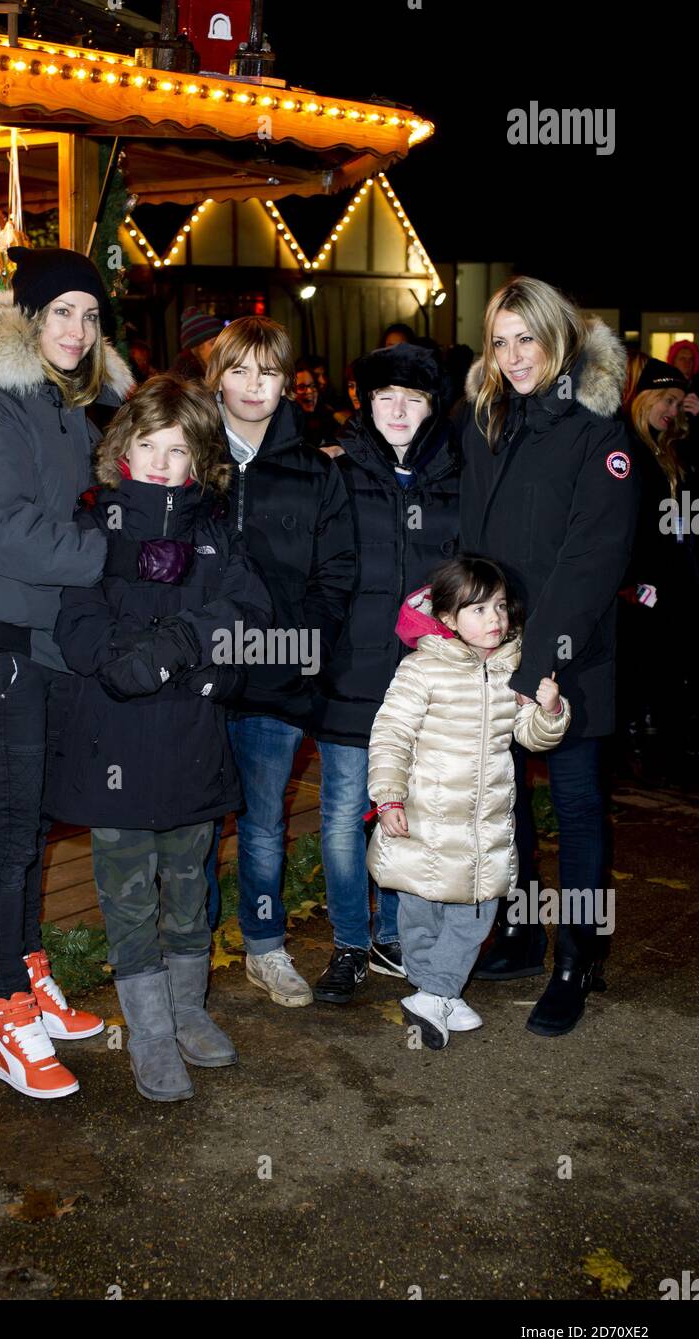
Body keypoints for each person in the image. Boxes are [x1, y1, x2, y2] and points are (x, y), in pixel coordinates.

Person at [0, 247, 194, 1100]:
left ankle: (29, 975)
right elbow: (7, 532)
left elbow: (118, 464)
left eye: (91, 316)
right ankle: (4, 1012)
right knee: (11, 827)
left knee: (36, 819)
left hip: (44, 643)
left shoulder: (59, 403)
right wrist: (112, 556)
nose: (77, 331)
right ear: (27, 319)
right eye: (61, 314)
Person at [46, 375, 272, 1102]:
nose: (161, 464)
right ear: (123, 448)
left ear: (197, 457)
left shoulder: (212, 530)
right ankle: (147, 1031)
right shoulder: (93, 524)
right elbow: (76, 625)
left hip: (189, 744)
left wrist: (183, 649)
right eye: (148, 446)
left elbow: (247, 611)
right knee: (128, 894)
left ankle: (187, 1012)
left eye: (177, 451)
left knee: (186, 886)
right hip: (112, 743)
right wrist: (123, 660)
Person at [458, 276, 639, 1037]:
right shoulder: (489, 419)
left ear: (556, 336)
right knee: (506, 806)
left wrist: (543, 665)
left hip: (568, 655)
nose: (512, 356)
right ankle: (523, 933)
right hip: (493, 650)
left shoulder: (598, 431)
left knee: (574, 807)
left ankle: (577, 958)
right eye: (498, 342)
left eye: (524, 338)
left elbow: (590, 561)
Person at [203, 316, 356, 1007]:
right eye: (239, 371)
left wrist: (295, 650)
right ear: (218, 377)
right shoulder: (190, 452)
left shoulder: (314, 469)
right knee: (191, 825)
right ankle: (187, 952)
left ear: (285, 381)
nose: (253, 385)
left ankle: (263, 947)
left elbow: (337, 573)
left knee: (262, 825)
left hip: (276, 672)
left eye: (267, 372)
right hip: (196, 676)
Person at [310, 343, 462, 1003]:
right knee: (345, 813)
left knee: (406, 811)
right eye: (384, 397)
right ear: (365, 404)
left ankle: (393, 935)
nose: (397, 410)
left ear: (432, 407)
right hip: (349, 675)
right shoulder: (336, 472)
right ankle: (347, 941)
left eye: (413, 398)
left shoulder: (457, 476)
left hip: (424, 682)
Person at [367, 558, 570, 1048]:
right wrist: (389, 796)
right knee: (419, 913)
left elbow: (531, 736)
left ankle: (435, 991)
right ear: (449, 618)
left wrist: (550, 711)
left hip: (483, 826)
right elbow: (392, 735)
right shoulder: (421, 668)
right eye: (478, 610)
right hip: (422, 820)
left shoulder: (513, 668)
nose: (494, 619)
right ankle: (434, 990)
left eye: (499, 606)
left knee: (477, 912)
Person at [618, 357, 697, 777]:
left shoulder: (673, 449)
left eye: (679, 402)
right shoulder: (625, 446)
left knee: (672, 665)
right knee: (642, 666)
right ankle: (639, 746)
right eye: (667, 399)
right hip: (639, 583)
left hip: (676, 576)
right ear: (645, 398)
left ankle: (665, 746)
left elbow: (689, 512)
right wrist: (630, 580)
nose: (672, 409)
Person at [294, 359, 339, 448]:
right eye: (302, 387)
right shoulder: (284, 421)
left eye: (313, 385)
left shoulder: (326, 416)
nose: (310, 391)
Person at [172, 306, 225, 381]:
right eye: (213, 343)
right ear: (197, 348)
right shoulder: (187, 381)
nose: (221, 347)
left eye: (222, 341)